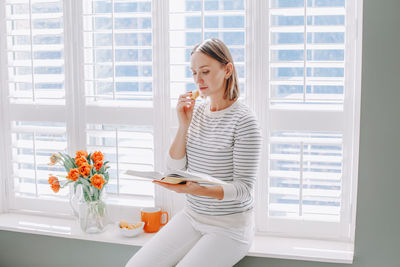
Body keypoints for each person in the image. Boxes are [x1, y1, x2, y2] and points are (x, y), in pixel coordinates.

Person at [125, 38, 262, 267]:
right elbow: (175, 169)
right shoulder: (196, 111)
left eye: (205, 72)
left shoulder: (244, 121)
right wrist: (183, 125)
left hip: (230, 227)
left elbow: (244, 190)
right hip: (192, 217)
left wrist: (197, 189)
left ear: (227, 70)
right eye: (194, 72)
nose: (198, 80)